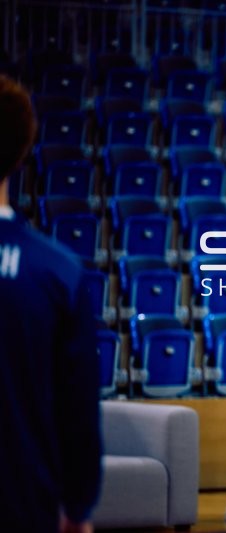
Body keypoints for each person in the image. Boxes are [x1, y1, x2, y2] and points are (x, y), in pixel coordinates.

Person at [0, 75, 102, 532]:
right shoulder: (59, 271)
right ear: (22, 150)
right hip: (27, 506)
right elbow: (77, 408)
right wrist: (78, 508)